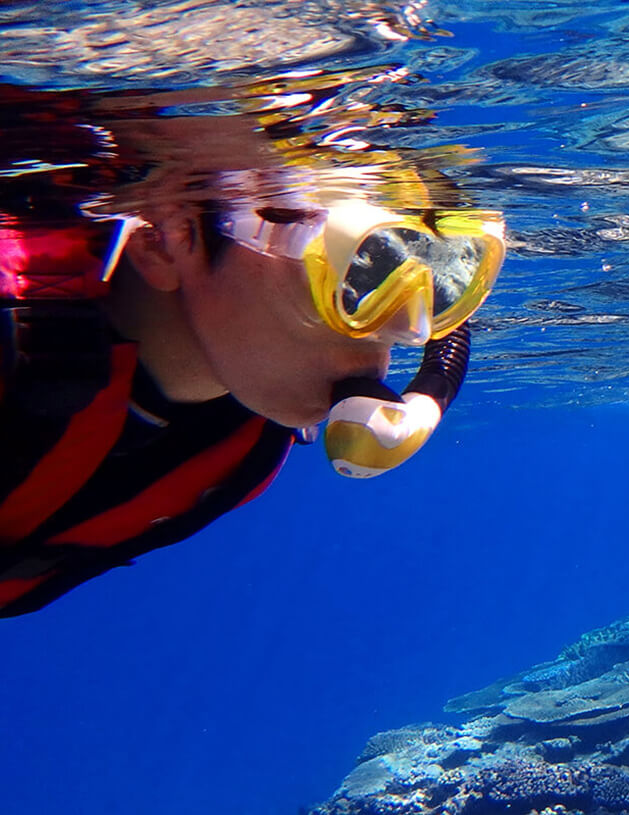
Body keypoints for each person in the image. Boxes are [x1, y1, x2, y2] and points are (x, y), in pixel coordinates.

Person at [0, 81, 505, 616]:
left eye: (445, 281)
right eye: (355, 271)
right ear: (164, 237)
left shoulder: (249, 446)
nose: (399, 330)